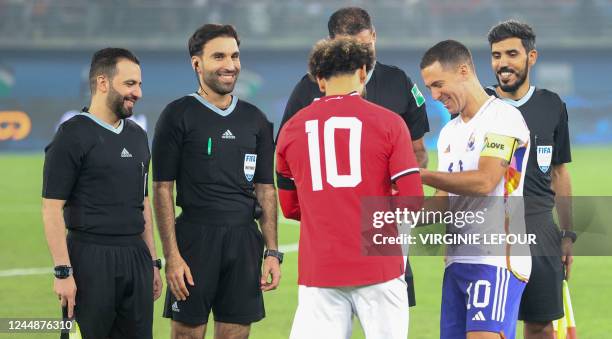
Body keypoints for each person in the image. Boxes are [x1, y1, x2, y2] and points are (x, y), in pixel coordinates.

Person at [280, 6, 428, 307]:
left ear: (374, 36)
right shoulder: (306, 89)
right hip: (331, 234)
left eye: (365, 45)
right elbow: (288, 157)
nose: (360, 56)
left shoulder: (398, 82)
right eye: (350, 48)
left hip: (385, 230)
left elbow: (418, 152)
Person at [152, 24, 280, 339]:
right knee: (186, 333)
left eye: (235, 56)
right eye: (219, 56)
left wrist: (273, 252)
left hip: (244, 240)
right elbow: (162, 188)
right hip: (195, 239)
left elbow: (265, 188)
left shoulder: (256, 120)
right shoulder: (176, 114)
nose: (230, 64)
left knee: (236, 333)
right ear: (197, 64)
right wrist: (173, 257)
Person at [42, 47, 162, 338]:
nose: (138, 93)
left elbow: (142, 202)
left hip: (135, 256)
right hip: (89, 258)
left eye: (140, 84)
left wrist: (153, 262)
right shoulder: (72, 135)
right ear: (102, 82)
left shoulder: (137, 136)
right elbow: (51, 208)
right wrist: (63, 272)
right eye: (130, 84)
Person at [419, 40, 532, 339]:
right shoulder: (448, 133)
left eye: (439, 84)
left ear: (464, 70)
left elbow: (485, 181)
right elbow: (444, 201)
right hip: (457, 260)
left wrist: (421, 174)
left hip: (496, 258)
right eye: (429, 87)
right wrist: (396, 210)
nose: (434, 95)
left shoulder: (503, 118)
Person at [486, 20, 574, 339]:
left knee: (539, 326)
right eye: (496, 55)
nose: (503, 63)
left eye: (512, 53)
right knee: (487, 326)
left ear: (531, 57)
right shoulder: (480, 104)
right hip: (489, 228)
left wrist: (567, 234)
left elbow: (559, 172)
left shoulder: (552, 105)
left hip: (539, 227)